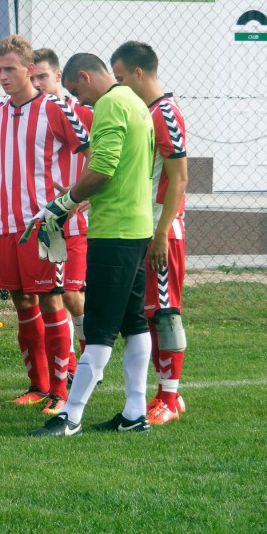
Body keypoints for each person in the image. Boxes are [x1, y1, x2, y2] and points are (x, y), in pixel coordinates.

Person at [30, 52, 155, 437]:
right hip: (137, 227)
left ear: (84, 76)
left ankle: (71, 415)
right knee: (134, 322)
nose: (79, 101)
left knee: (99, 325)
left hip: (114, 232)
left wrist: (62, 203)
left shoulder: (111, 104)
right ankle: (135, 412)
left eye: (75, 90)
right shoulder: (135, 102)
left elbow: (102, 167)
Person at [0, 36, 90, 416]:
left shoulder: (56, 108)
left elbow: (91, 150)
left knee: (52, 301)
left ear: (30, 70)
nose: (2, 76)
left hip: (44, 224)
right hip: (6, 223)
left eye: (9, 69)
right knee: (22, 302)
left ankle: (61, 392)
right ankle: (38, 385)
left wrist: (77, 197)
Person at [110, 41, 188, 425]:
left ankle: (169, 401)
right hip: (146, 228)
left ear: (139, 74)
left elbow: (180, 179)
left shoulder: (165, 113)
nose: (119, 86)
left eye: (121, 78)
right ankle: (166, 394)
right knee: (150, 312)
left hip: (163, 231)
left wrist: (160, 235)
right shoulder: (145, 112)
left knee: (166, 313)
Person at [32, 48, 95, 376]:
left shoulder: (80, 112)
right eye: (33, 78)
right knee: (50, 298)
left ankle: (87, 359)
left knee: (71, 295)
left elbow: (103, 155)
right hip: (46, 221)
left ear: (58, 76)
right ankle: (68, 367)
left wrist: (88, 195)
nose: (37, 83)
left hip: (75, 220)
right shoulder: (30, 114)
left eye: (43, 76)